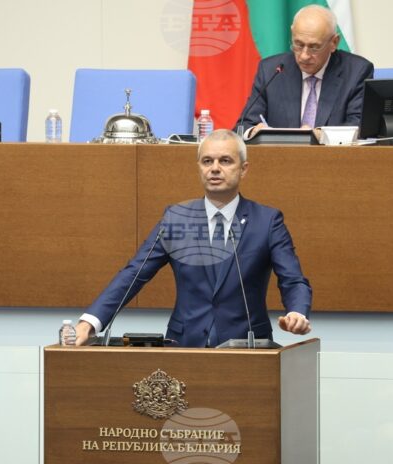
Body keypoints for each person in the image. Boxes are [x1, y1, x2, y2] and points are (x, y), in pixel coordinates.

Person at [75, 129, 312, 347]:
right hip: (184, 345)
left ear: (243, 169)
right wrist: (91, 321)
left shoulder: (267, 221)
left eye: (225, 161)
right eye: (207, 161)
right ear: (199, 167)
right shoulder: (176, 218)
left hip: (247, 346)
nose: (215, 168)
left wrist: (297, 312)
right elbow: (134, 273)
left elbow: (292, 279)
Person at [237, 4, 374, 134]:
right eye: (298, 44)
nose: (304, 56)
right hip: (281, 151)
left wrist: (321, 135)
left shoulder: (357, 72)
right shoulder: (271, 70)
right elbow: (244, 125)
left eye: (314, 47)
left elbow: (358, 127)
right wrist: (254, 131)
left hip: (331, 151)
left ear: (334, 42)